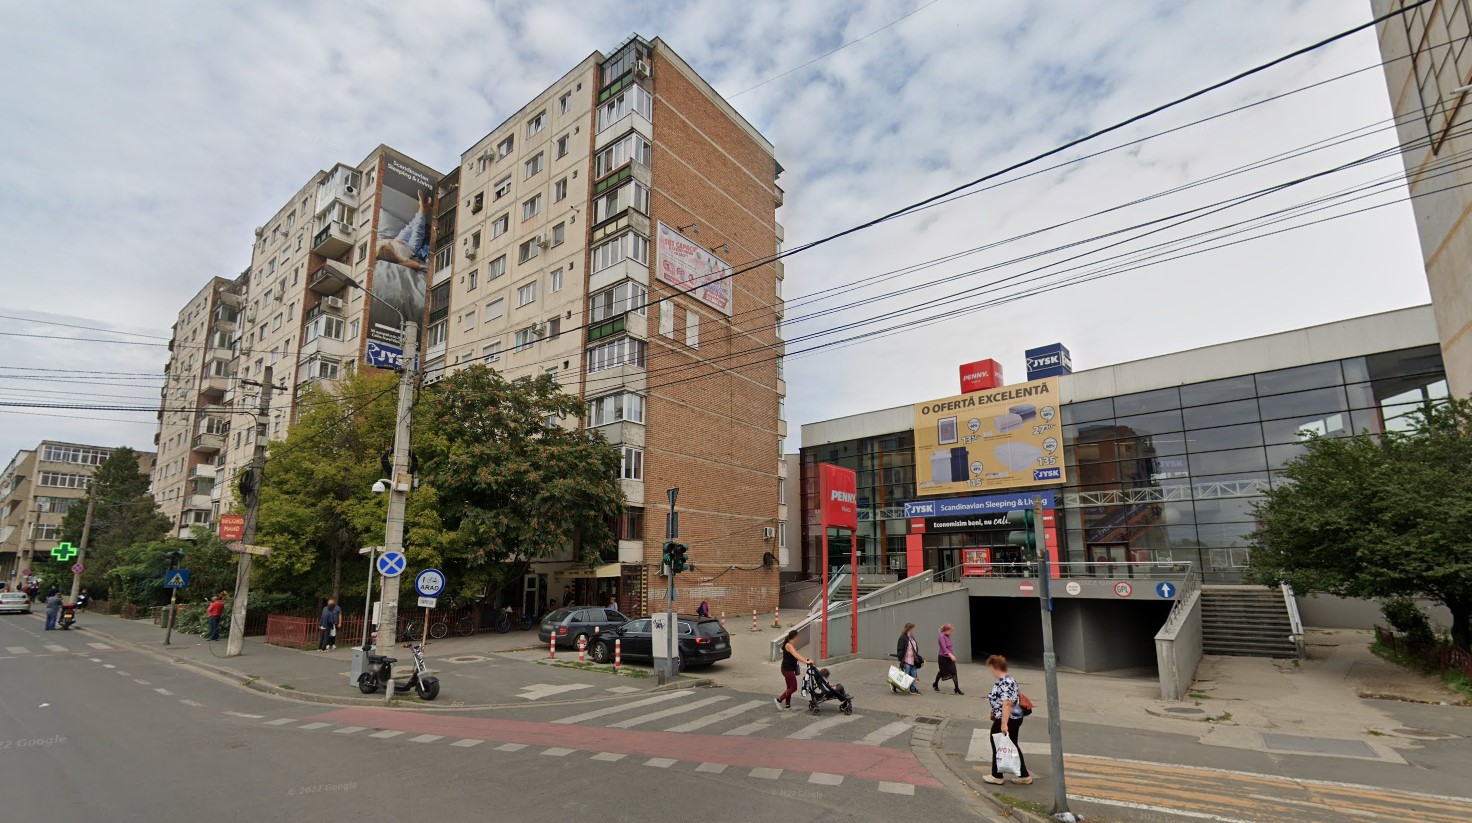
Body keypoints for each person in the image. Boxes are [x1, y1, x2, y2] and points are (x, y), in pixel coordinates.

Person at [983, 654, 1031, 785]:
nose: (991, 672)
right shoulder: (1010, 679)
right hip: (1014, 717)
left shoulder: (1005, 682)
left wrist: (1004, 724)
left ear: (996, 667)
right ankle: (1024, 776)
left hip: (1007, 718)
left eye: (992, 668)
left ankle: (997, 776)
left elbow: (1007, 703)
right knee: (1012, 745)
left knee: (997, 744)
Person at [776, 629, 813, 710]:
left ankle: (787, 706)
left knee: (789, 687)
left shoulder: (790, 645)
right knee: (793, 688)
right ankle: (779, 700)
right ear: (794, 637)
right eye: (797, 637)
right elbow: (796, 656)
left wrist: (806, 659)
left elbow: (797, 655)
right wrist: (806, 662)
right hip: (787, 670)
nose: (798, 638)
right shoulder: (789, 645)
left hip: (787, 669)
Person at [933, 623, 963, 694]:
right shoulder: (941, 637)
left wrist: (951, 655)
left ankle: (956, 688)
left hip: (949, 658)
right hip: (943, 658)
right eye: (951, 630)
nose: (952, 631)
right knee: (941, 672)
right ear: (947, 630)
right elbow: (944, 648)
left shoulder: (948, 636)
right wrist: (951, 655)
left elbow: (949, 647)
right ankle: (935, 683)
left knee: (954, 672)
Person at [894, 623, 922, 694]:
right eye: (912, 628)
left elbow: (915, 649)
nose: (913, 630)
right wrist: (900, 660)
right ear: (908, 629)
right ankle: (894, 684)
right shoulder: (902, 638)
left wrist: (920, 658)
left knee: (913, 675)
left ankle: (913, 689)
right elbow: (900, 649)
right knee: (904, 677)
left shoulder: (912, 638)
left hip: (913, 660)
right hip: (906, 661)